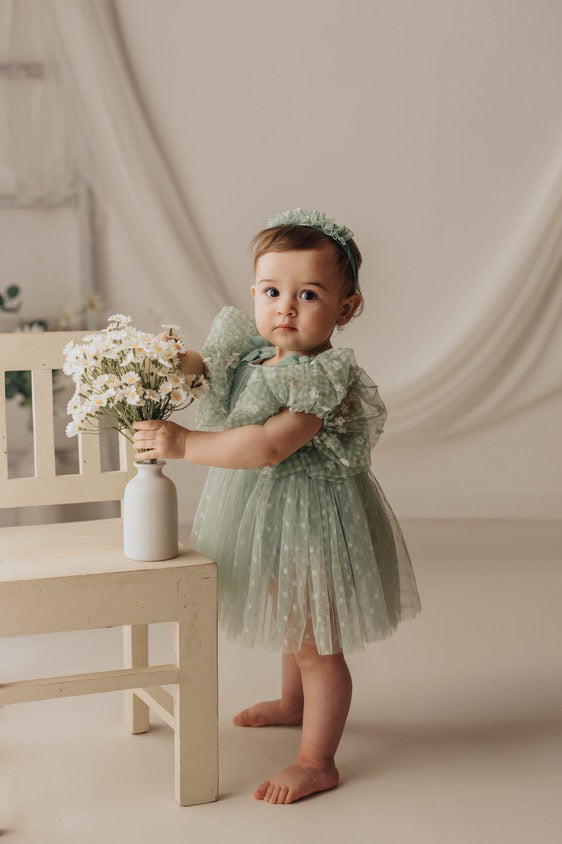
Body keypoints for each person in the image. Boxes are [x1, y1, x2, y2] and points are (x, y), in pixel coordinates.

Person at [132, 207, 422, 804]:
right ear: (255, 294)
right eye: (272, 291)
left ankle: (318, 760)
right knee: (290, 610)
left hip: (313, 515)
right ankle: (294, 703)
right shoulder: (248, 353)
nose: (285, 307)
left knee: (315, 639)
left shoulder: (321, 376)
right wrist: (173, 361)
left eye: (308, 294)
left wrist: (186, 443)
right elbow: (208, 372)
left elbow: (267, 445)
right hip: (261, 514)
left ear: (346, 308)